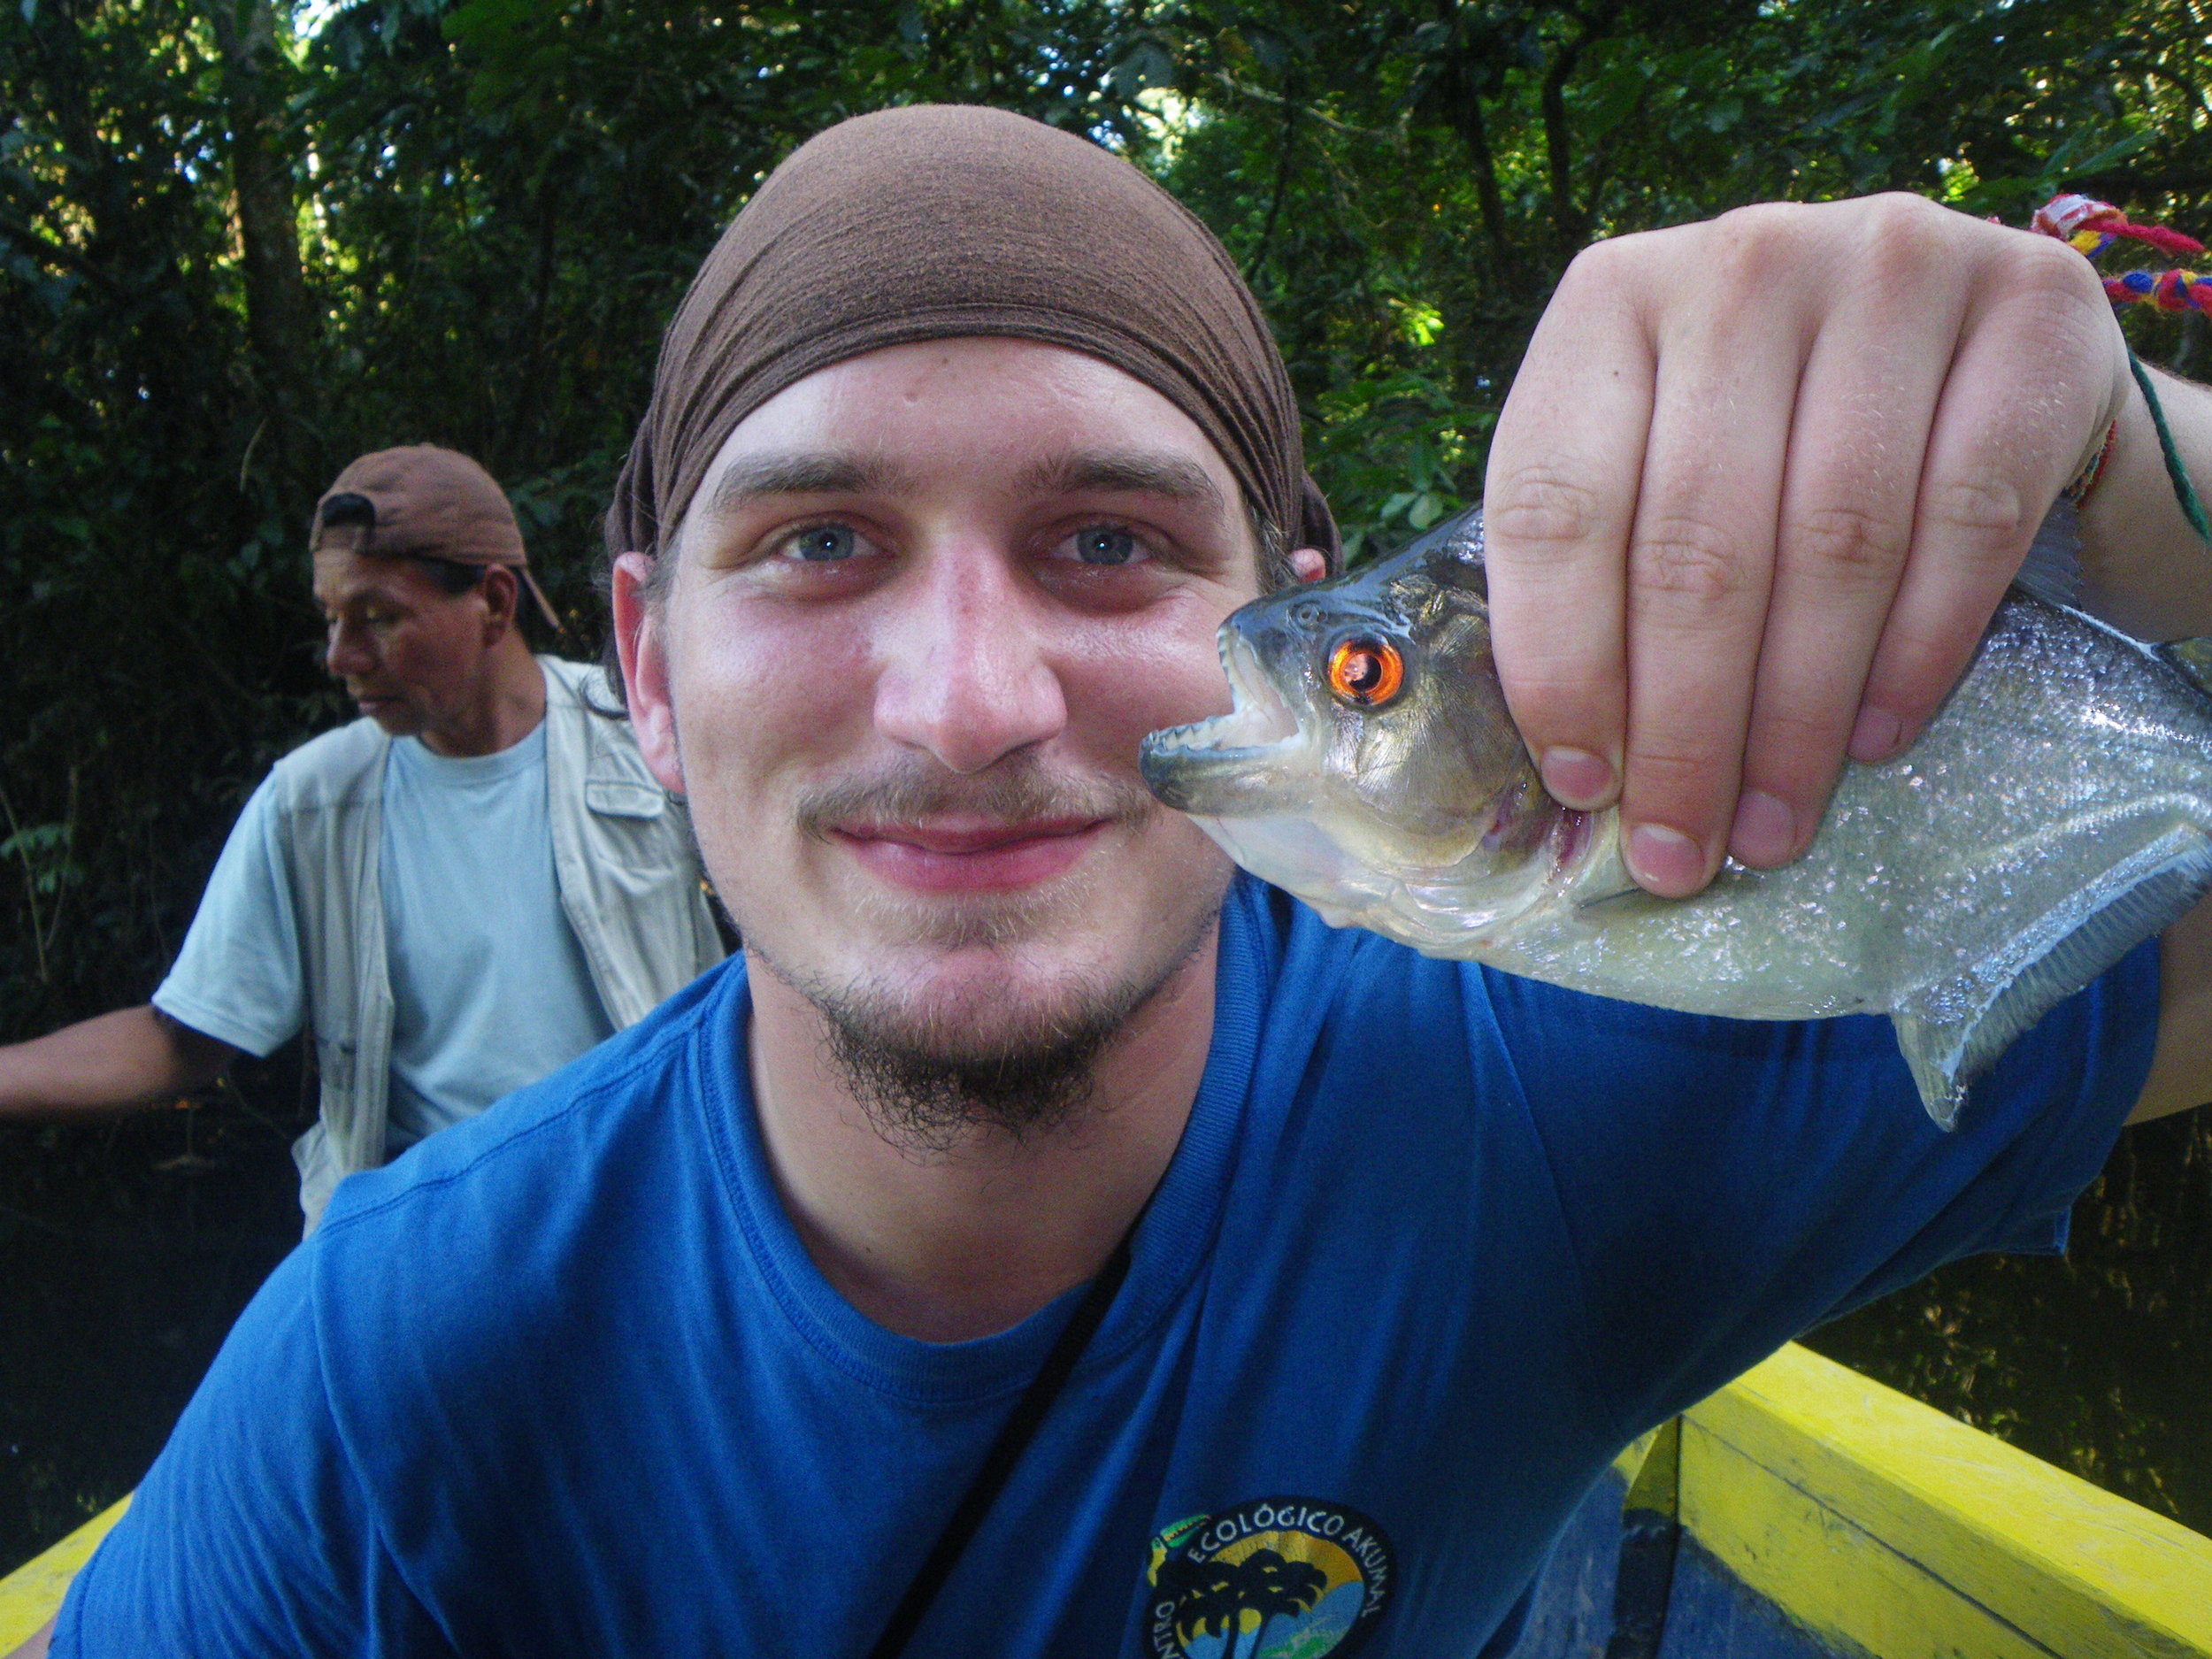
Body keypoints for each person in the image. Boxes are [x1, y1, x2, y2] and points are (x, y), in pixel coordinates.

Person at [29, 108, 2212, 1658]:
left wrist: (2162, 469)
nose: (974, 699)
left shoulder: (1549, 1096)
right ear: (656, 668)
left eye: (1112, 542)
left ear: (1301, 588)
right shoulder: (393, 1371)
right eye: (816, 540)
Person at [0, 445, 725, 1231]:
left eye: (377, 617)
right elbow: (180, 1043)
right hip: (418, 1244)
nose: (340, 657)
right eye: (332, 617)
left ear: (492, 600)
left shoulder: (649, 735)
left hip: (656, 1215)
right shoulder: (312, 804)